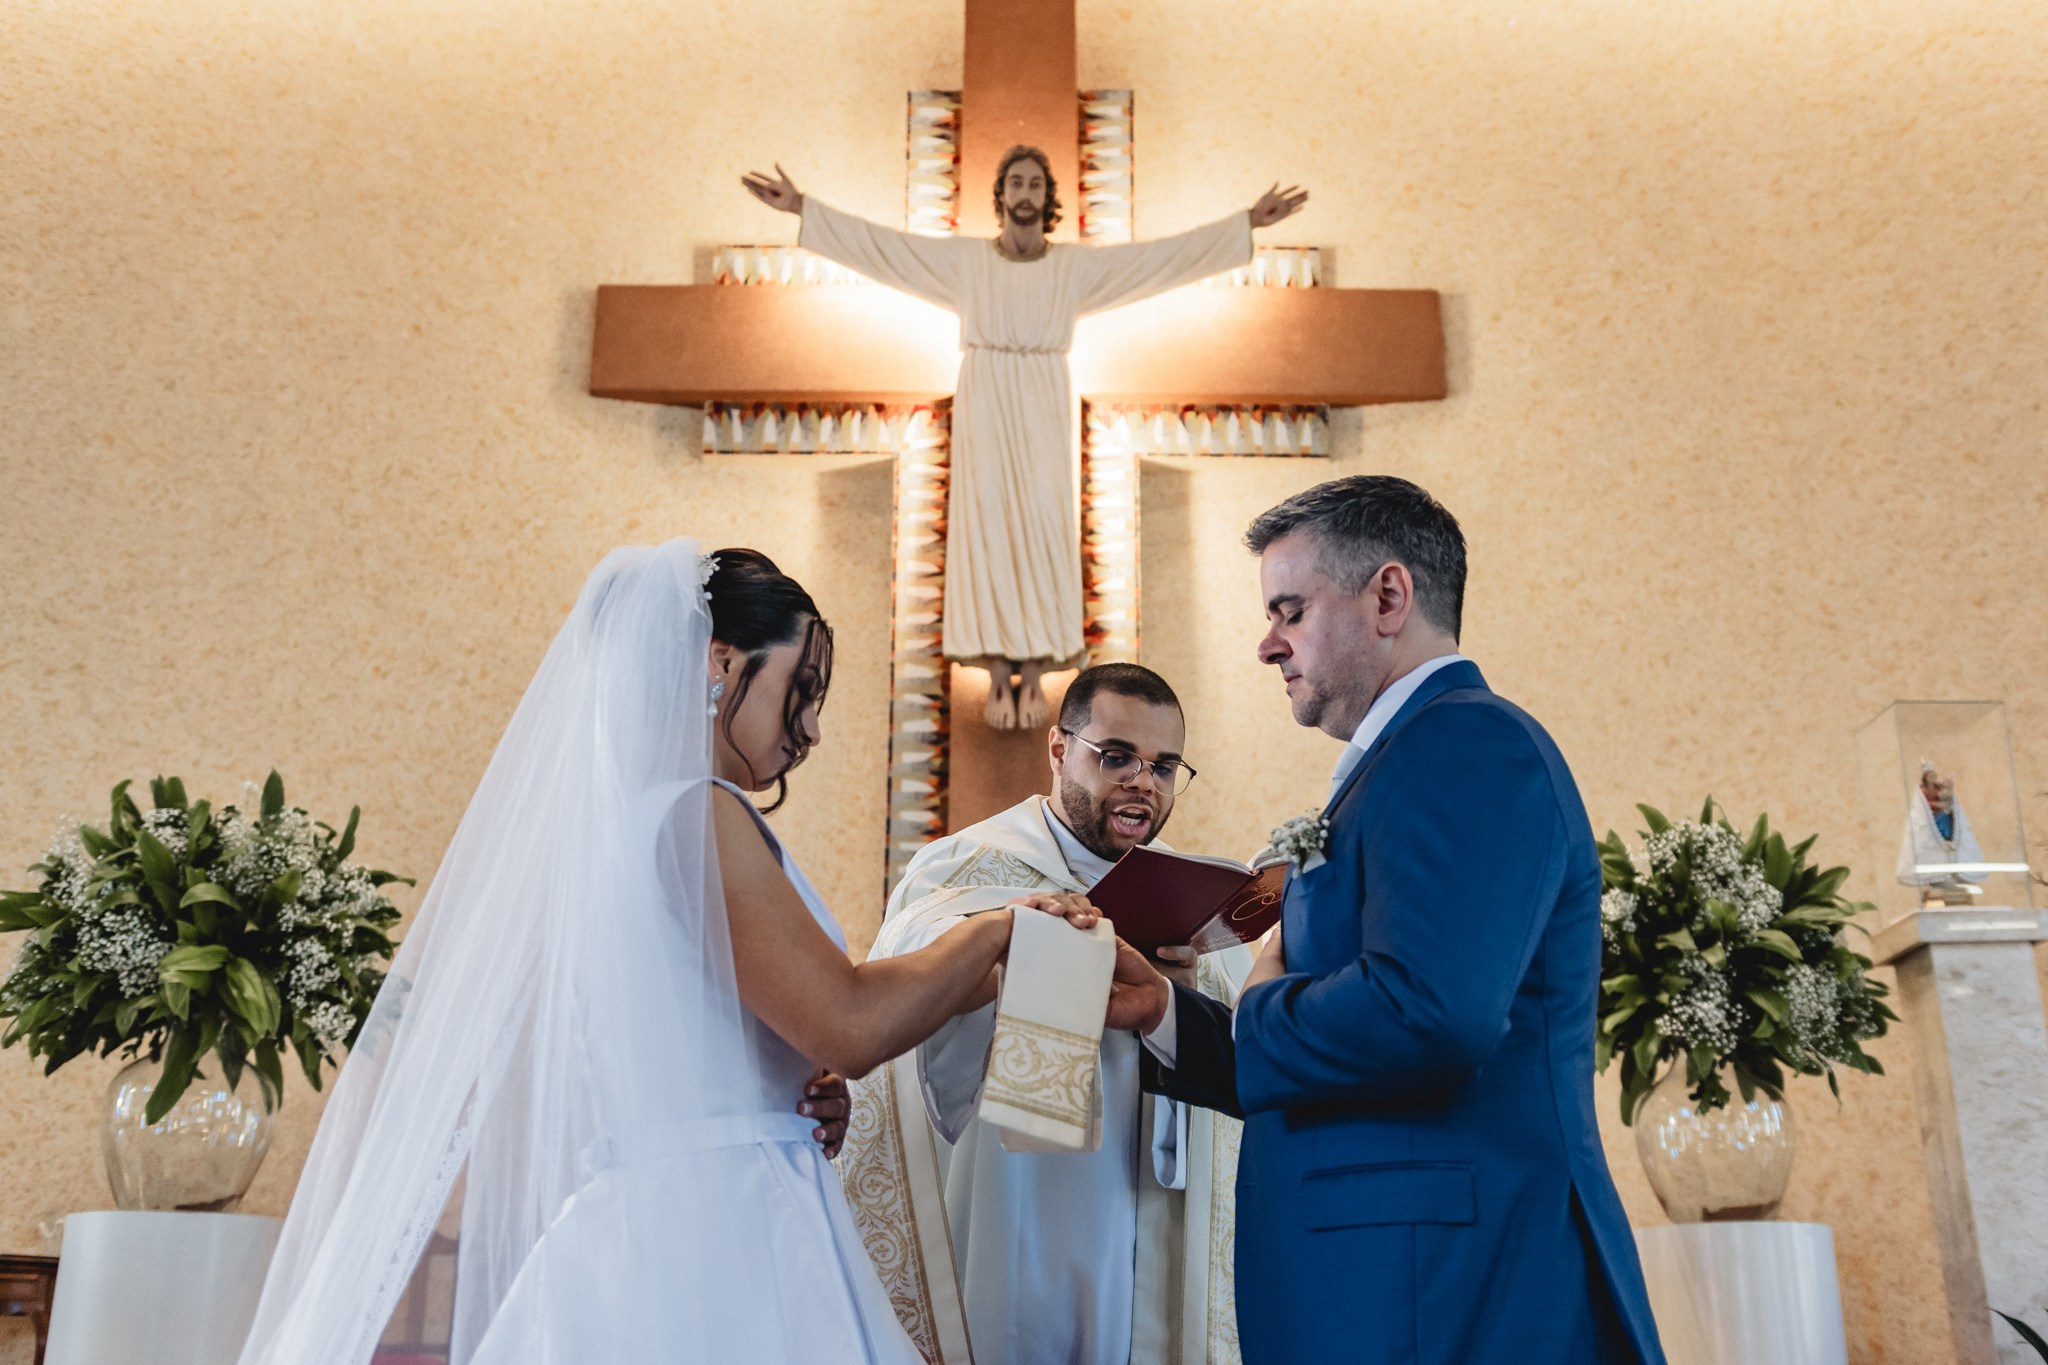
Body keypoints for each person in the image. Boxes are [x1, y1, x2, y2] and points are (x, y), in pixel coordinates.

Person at [233, 542, 1095, 1365]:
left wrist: (786, 1088)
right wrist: (994, 927)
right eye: (802, 688)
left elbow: (712, 1034)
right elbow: (851, 1021)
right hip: (720, 1228)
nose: (812, 729)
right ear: (722, 661)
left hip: (676, 1203)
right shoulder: (697, 813)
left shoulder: (635, 822)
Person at [1107, 478, 1668, 1364]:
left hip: (1448, 1287)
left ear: (1389, 596)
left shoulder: (1466, 743)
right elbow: (1352, 1047)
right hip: (1400, 1280)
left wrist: (1259, 1004)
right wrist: (1163, 1013)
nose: (1268, 643)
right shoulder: (1406, 759)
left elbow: (1429, 1011)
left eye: (1290, 610)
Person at [742, 151, 1307, 730]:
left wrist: (1245, 224)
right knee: (984, 521)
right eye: (1015, 181)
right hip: (985, 392)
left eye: (1035, 183)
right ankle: (994, 669)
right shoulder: (966, 262)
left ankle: (1035, 669)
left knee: (1044, 523)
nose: (1025, 191)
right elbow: (889, 249)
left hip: (1044, 395)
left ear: (1047, 196)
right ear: (1001, 194)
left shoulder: (1071, 267)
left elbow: (1155, 260)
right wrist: (804, 208)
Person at [839, 663, 1250, 1365]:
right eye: (1116, 756)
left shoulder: (1194, 891)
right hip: (1017, 1196)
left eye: (1163, 766)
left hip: (1151, 1200)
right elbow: (904, 992)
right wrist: (1009, 942)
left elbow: (1240, 1050)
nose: (1142, 782)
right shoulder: (964, 867)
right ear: (1059, 749)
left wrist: (1182, 989)